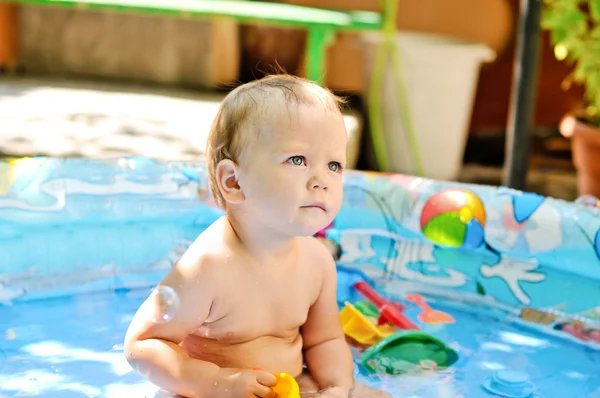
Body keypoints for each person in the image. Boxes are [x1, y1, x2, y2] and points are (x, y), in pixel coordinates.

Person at [124, 74, 391, 398]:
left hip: (292, 386)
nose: (322, 180)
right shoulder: (209, 265)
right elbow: (143, 345)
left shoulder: (317, 261)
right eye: (298, 159)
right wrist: (217, 383)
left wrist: (336, 386)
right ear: (234, 182)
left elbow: (325, 340)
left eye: (334, 165)